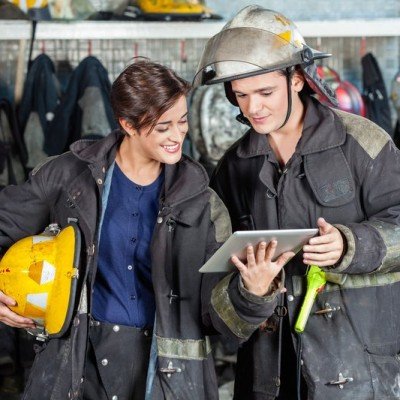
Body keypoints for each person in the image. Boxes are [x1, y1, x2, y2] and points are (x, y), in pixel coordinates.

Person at [0, 58, 293, 400]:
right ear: (127, 123)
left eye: (182, 122)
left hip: (169, 381)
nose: (177, 135)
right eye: (163, 126)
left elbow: (219, 319)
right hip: (76, 371)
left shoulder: (202, 203)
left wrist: (253, 293)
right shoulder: (68, 176)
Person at [194, 5, 400, 400]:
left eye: (265, 92)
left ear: (298, 79)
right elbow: (214, 283)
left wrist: (350, 245)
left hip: (359, 371)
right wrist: (250, 291)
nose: (253, 108)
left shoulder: (363, 144)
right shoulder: (234, 167)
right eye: (241, 95)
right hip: (270, 374)